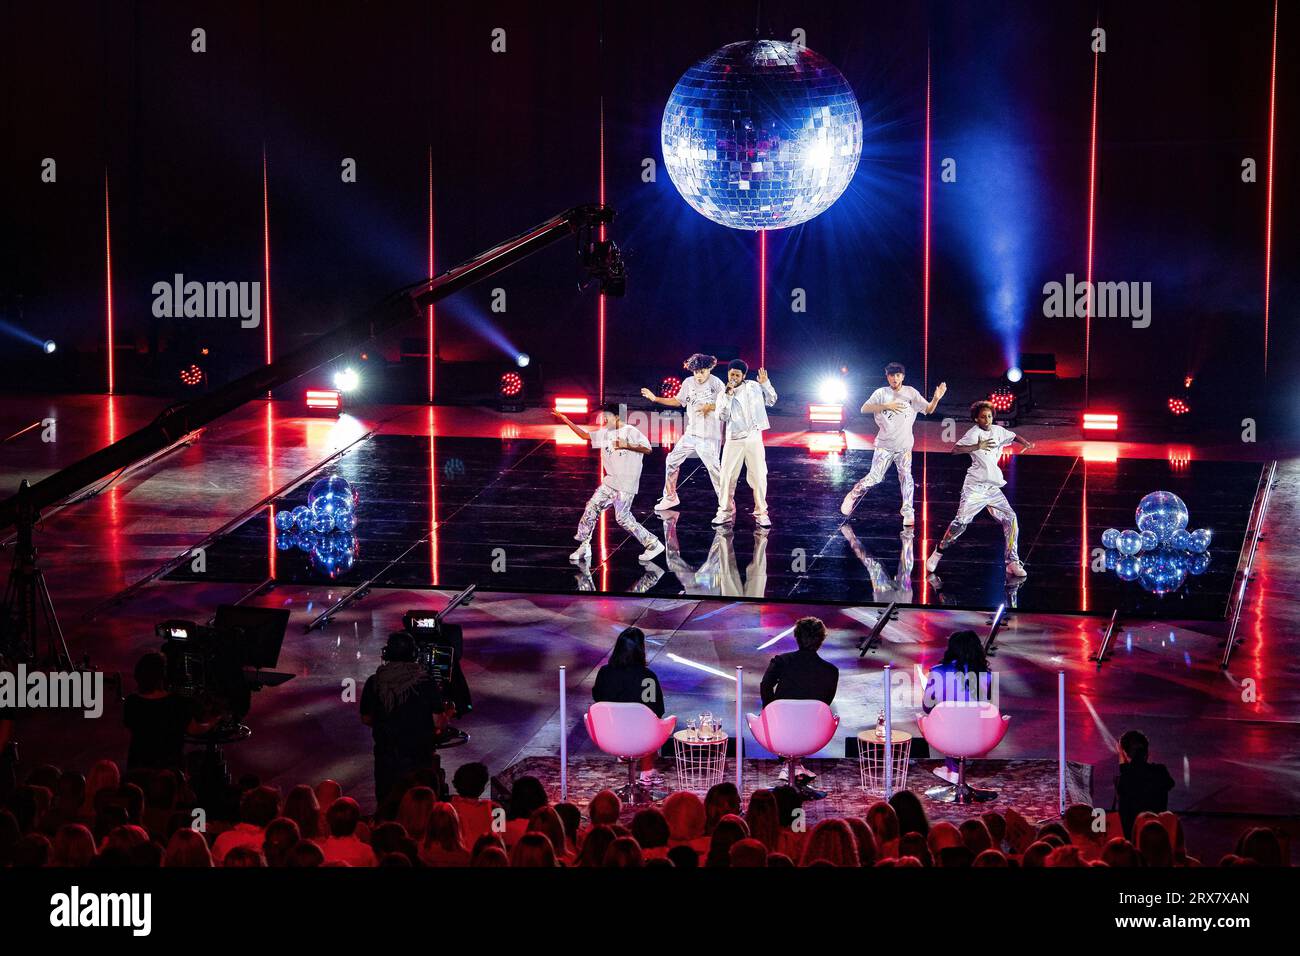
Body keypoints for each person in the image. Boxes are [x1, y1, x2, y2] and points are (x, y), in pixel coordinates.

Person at [926, 400, 1033, 579]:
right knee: (960, 523)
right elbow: (955, 450)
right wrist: (978, 446)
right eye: (983, 417)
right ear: (976, 419)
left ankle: (1012, 561)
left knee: (1010, 518)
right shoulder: (973, 433)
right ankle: (938, 552)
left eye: (990, 416)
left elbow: (1012, 435)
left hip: (992, 488)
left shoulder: (998, 431)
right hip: (975, 487)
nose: (987, 420)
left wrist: (1026, 443)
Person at [553, 403, 664, 565]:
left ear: (617, 416)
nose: (604, 419)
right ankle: (585, 546)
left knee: (622, 518)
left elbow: (648, 449)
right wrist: (566, 420)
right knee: (591, 507)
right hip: (610, 481)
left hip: (626, 483)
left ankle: (653, 544)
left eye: (607, 416)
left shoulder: (631, 431)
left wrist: (626, 445)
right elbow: (584, 436)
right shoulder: (605, 433)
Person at [840, 362, 946, 524]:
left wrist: (936, 399)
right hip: (884, 445)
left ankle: (908, 511)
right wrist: (886, 405)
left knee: (906, 477)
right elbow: (864, 409)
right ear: (887, 377)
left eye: (898, 375)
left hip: (904, 446)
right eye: (891, 375)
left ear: (902, 377)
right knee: (875, 478)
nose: (895, 378)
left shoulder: (911, 393)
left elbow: (929, 410)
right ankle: (853, 495)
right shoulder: (881, 393)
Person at [360, 632, 444, 812]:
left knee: (387, 805)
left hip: (386, 757)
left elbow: (366, 718)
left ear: (386, 654)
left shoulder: (374, 682)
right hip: (419, 758)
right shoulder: (426, 681)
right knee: (419, 808)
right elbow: (437, 722)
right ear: (414, 654)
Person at [640, 353, 726, 511]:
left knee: (715, 470)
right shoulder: (688, 383)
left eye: (702, 372)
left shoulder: (717, 384)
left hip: (709, 436)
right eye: (695, 372)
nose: (699, 376)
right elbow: (678, 400)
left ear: (709, 369)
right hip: (691, 434)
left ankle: (726, 506)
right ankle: (670, 497)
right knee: (671, 461)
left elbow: (727, 405)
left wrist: (711, 407)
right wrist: (655, 399)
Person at [759, 617, 838, 782]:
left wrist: (772, 712)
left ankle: (791, 762)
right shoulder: (831, 671)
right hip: (813, 732)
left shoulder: (781, 661)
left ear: (797, 637)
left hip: (779, 729)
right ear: (821, 640)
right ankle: (795, 763)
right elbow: (824, 703)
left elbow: (765, 686)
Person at [592, 627, 666, 787]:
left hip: (610, 734)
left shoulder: (604, 672)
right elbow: (658, 710)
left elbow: (598, 699)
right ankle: (647, 771)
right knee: (652, 721)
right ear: (641, 651)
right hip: (642, 739)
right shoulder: (648, 677)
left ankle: (624, 754)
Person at [922, 630, 995, 784]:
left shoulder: (938, 671)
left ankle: (953, 768)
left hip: (945, 736)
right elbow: (984, 707)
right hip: (977, 736)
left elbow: (926, 707)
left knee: (942, 718)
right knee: (964, 718)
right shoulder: (986, 676)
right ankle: (957, 765)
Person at [713, 359, 778, 527]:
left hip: (754, 438)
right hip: (734, 439)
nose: (733, 377)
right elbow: (722, 416)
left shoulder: (754, 387)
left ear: (743, 375)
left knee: (758, 476)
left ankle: (761, 512)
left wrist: (765, 384)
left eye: (737, 374)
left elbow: (772, 400)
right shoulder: (723, 393)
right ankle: (724, 511)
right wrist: (728, 396)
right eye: (731, 374)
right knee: (727, 477)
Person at [122, 651, 206, 771]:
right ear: (163, 674)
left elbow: (129, 731)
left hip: (139, 767)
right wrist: (216, 718)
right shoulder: (177, 702)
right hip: (170, 770)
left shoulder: (131, 702)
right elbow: (194, 729)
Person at [1114, 730, 1175, 839]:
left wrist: (1121, 756)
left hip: (1133, 838)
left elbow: (1131, 771)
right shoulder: (1160, 772)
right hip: (1158, 835)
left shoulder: (1126, 778)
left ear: (1125, 753)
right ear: (1146, 751)